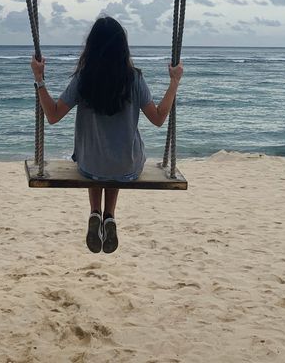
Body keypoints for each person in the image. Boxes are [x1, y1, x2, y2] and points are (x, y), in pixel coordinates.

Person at [30, 16, 183, 254]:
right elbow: (158, 118)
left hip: (90, 167)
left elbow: (53, 115)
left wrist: (39, 79)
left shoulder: (84, 78)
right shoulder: (134, 79)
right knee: (119, 158)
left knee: (95, 159)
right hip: (127, 168)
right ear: (123, 47)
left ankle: (95, 212)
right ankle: (109, 216)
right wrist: (174, 82)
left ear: (90, 47)